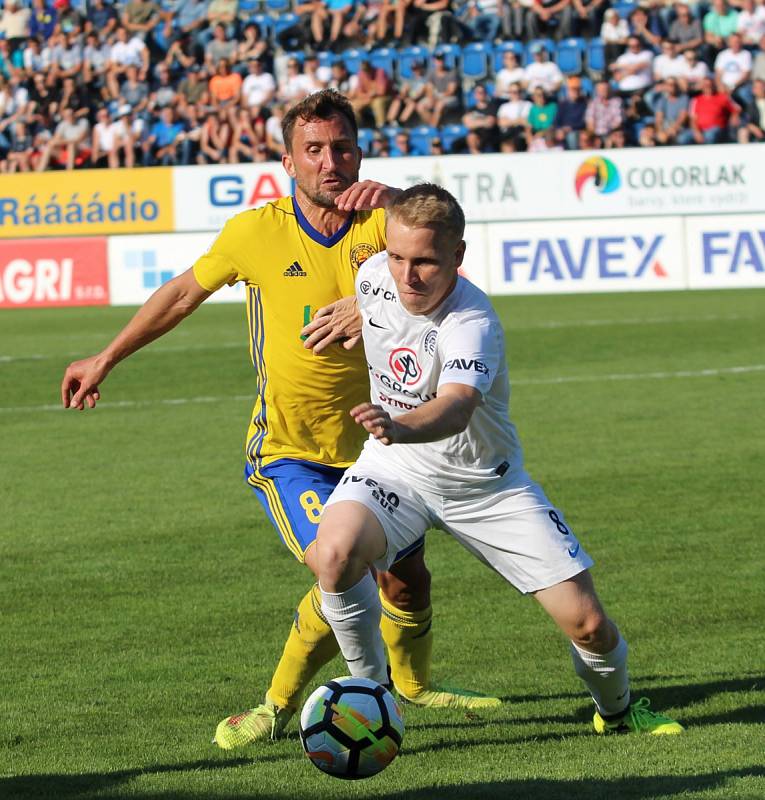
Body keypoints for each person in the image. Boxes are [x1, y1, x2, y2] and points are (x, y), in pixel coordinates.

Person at [60, 90, 498, 751]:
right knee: (338, 563)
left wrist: (371, 296)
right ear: (287, 159)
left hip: (381, 449)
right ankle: (275, 706)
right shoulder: (255, 232)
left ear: (359, 151)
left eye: (342, 148)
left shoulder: (384, 227)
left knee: (407, 580)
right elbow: (182, 294)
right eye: (314, 150)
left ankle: (410, 686)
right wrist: (107, 356)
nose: (330, 163)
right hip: (290, 450)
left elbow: (444, 276)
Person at [314, 183, 685, 739]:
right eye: (396, 257)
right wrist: (355, 309)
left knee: (588, 625)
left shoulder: (473, 322)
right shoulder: (374, 276)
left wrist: (397, 424)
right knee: (334, 554)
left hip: (486, 487)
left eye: (425, 262)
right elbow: (374, 295)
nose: (407, 276)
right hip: (397, 471)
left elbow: (457, 406)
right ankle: (373, 697)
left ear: (458, 257)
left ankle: (619, 709)